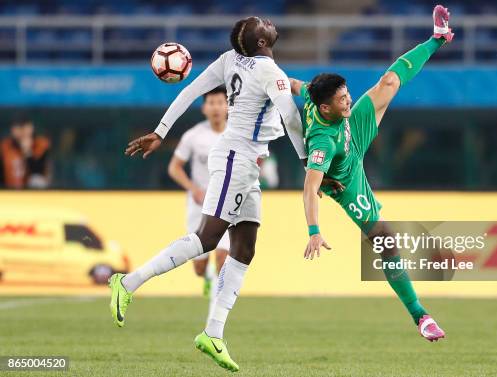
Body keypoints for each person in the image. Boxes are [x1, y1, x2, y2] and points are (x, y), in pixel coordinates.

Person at [108, 16, 306, 372]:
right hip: (236, 157)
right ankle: (128, 282)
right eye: (262, 25)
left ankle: (213, 334)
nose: (268, 22)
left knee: (244, 249)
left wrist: (161, 130)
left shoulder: (229, 59)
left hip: (247, 160)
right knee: (207, 239)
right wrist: (308, 162)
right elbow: (291, 118)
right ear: (262, 42)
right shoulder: (269, 70)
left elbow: (189, 91)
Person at [292, 5, 453, 342]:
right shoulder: (323, 142)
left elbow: (293, 85)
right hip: (346, 176)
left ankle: (436, 39)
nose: (348, 97)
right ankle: (420, 316)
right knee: (385, 238)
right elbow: (310, 186)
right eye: (341, 98)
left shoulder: (317, 98)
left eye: (346, 92)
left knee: (389, 80)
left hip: (353, 128)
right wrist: (314, 230)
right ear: (326, 108)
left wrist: (277, 82)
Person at [167, 86, 230, 320]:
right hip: (199, 205)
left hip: (226, 203)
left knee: (223, 256)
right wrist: (193, 189)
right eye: (211, 103)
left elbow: (256, 160)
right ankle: (206, 277)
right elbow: (174, 168)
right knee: (199, 266)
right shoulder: (193, 136)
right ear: (204, 108)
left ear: (228, 106)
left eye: (220, 102)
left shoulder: (236, 133)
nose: (216, 108)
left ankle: (216, 312)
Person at [0, 117, 51, 189]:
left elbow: (38, 173)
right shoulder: (5, 147)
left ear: (31, 128)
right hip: (9, 192)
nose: (22, 131)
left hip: (32, 195)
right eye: (18, 127)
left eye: (24, 127)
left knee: (37, 180)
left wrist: (27, 152)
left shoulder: (40, 144)